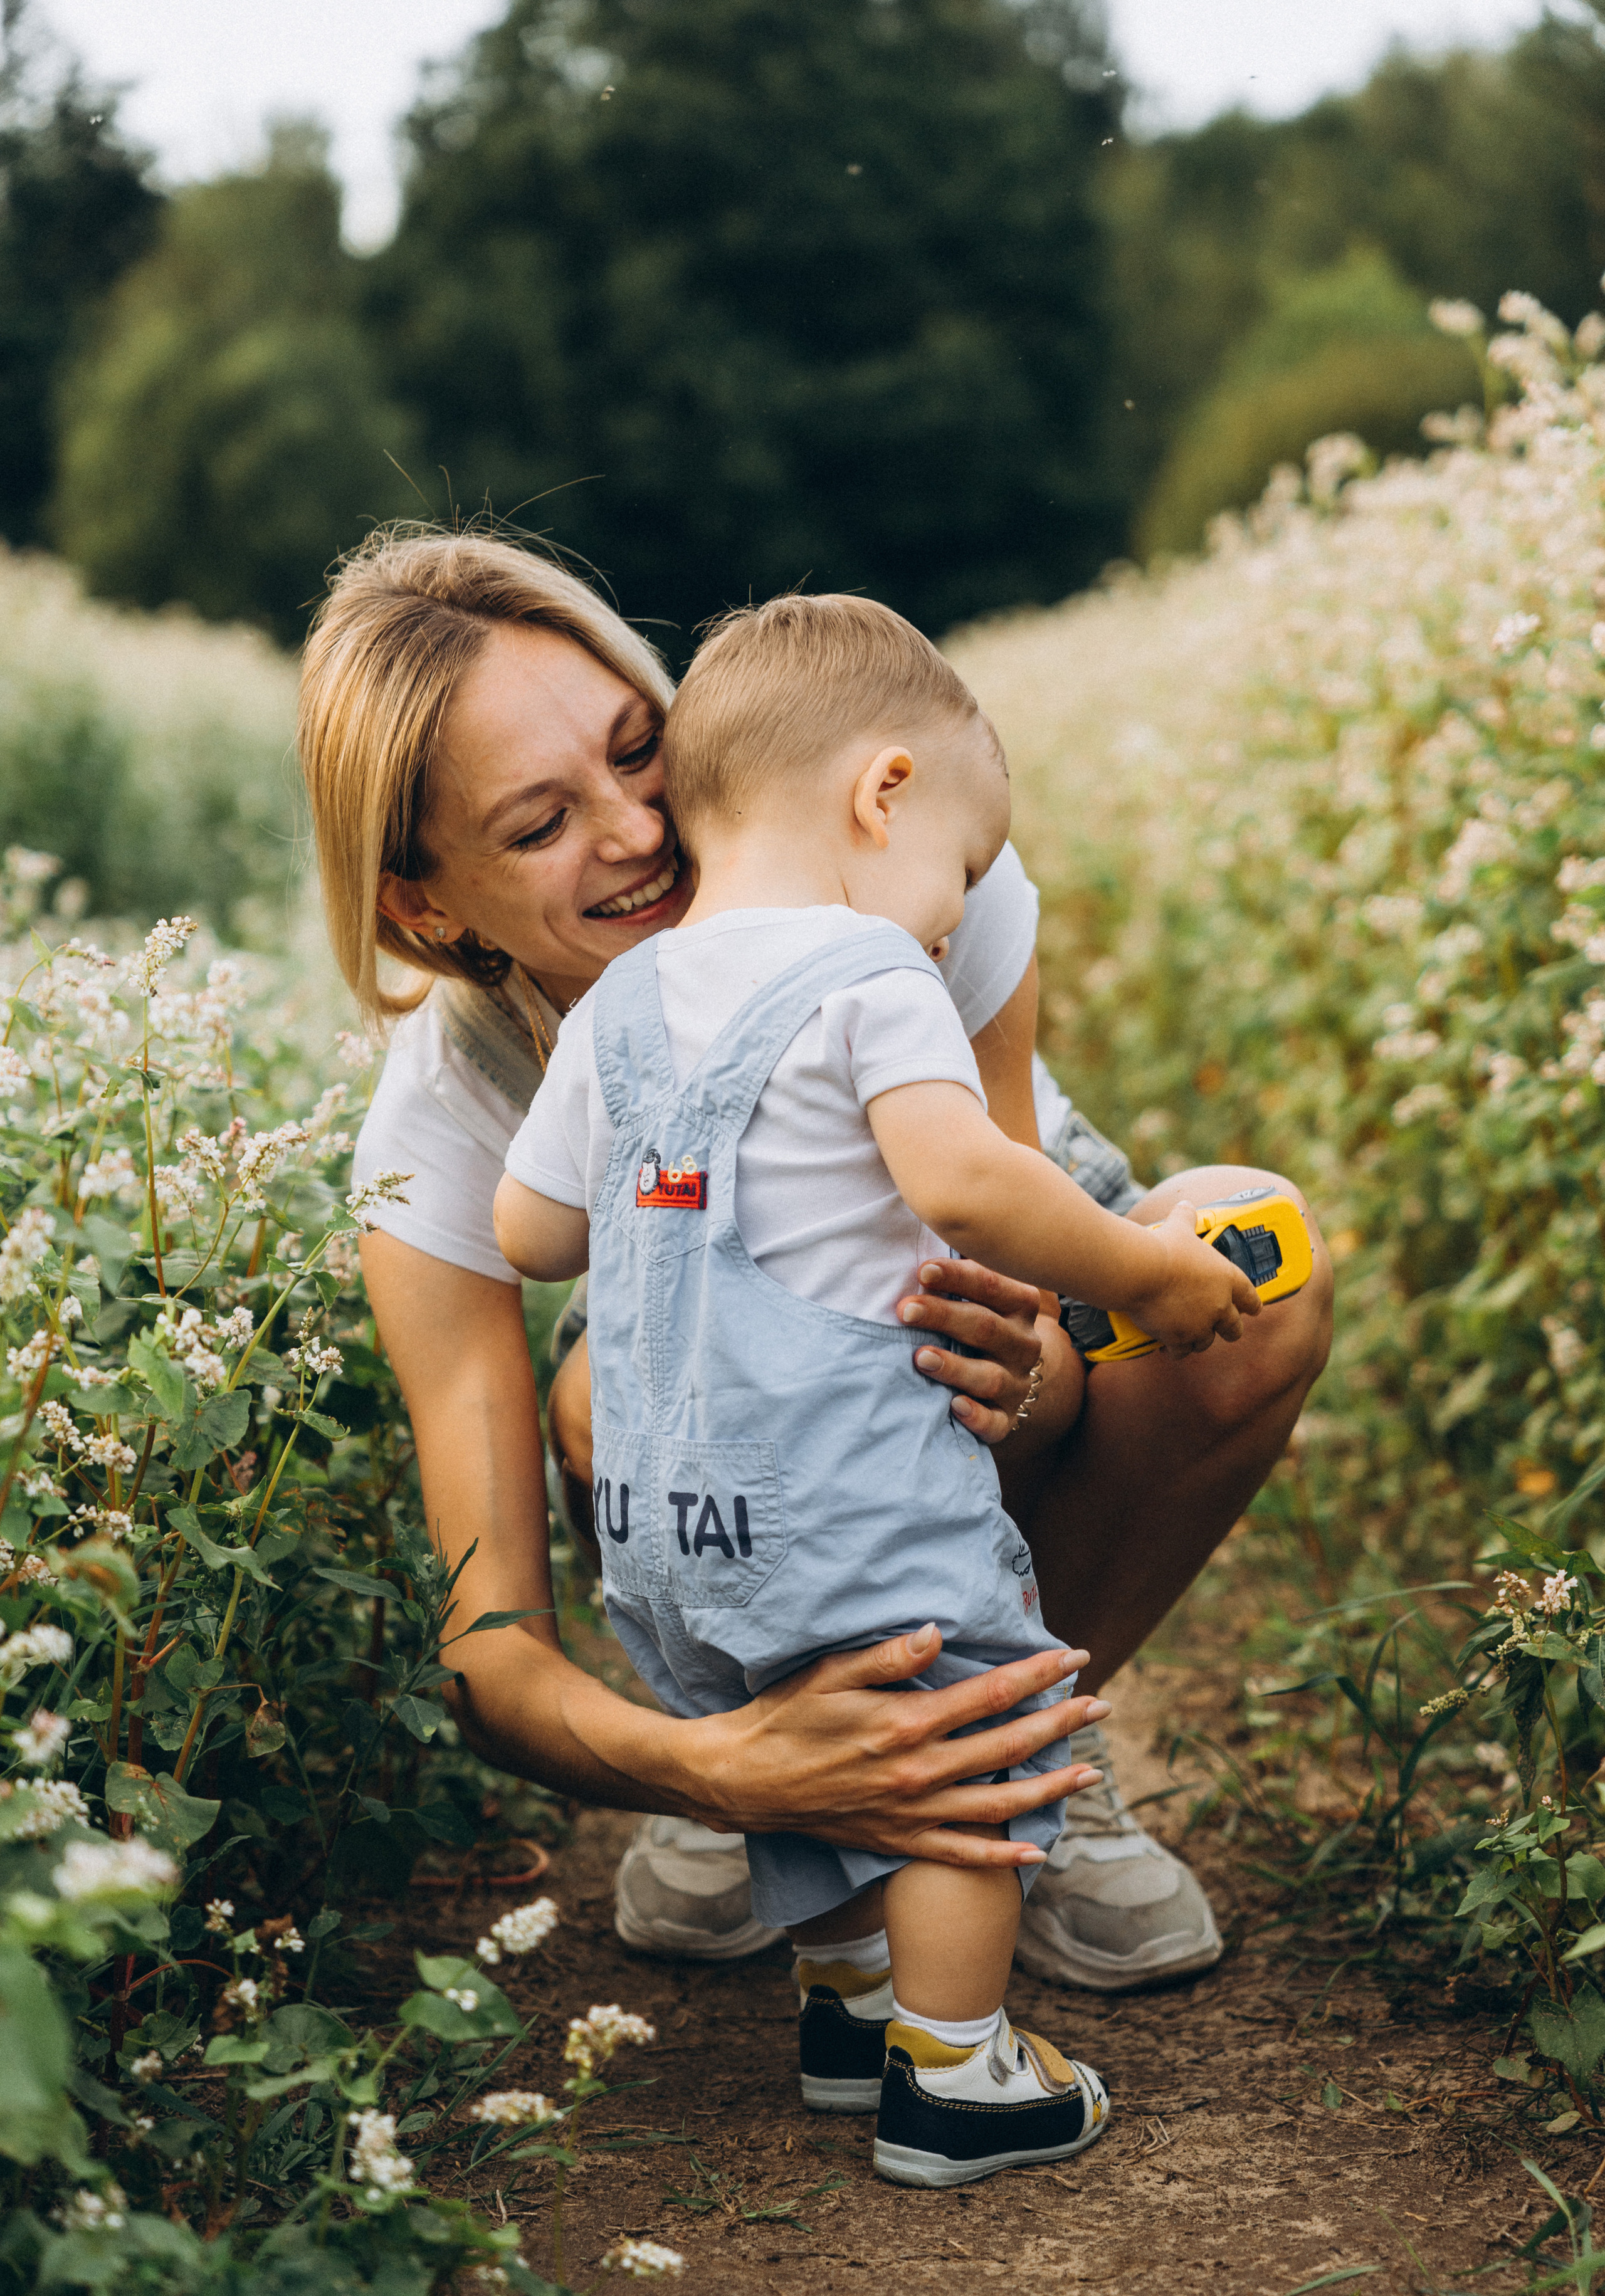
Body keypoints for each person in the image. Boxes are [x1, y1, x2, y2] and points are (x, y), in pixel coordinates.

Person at [299, 525, 1334, 1997]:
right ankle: (775, 1734)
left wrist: (1029, 1359)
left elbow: (1002, 1271)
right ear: (425, 905)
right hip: (746, 1462)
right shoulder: (444, 1120)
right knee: (600, 1392)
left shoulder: (905, 862)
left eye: (639, 750)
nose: (640, 831)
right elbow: (493, 1651)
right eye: (537, 826)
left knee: (1251, 1261)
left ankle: (1015, 1737)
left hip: (950, 1339)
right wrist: (718, 1768)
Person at [493, 595, 1267, 2183]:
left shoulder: (622, 1002)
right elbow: (967, 1181)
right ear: (883, 793)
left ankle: (848, 2016)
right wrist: (1144, 1276)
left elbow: (529, 1231)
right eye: (959, 874)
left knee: (808, 1731)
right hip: (845, 1489)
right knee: (966, 1734)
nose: (949, 917)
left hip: (667, 1526)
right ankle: (956, 2073)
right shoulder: (867, 970)